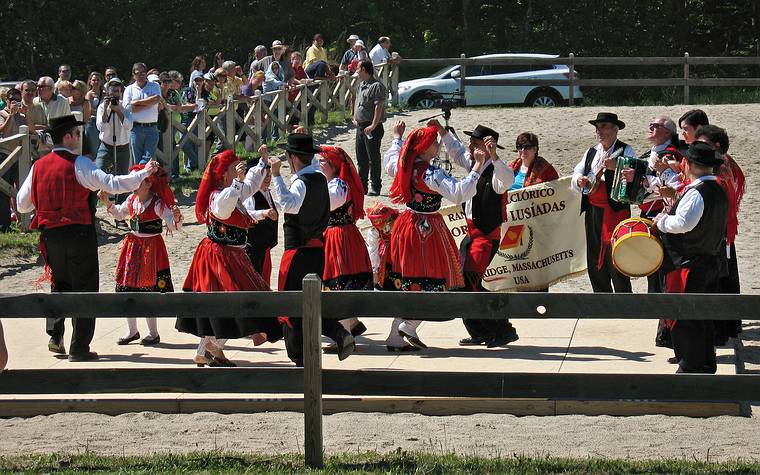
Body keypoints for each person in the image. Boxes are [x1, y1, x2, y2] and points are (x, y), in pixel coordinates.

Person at [16, 115, 159, 362]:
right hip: (79, 232)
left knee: (59, 284)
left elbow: (22, 204)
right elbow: (112, 184)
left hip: (50, 235)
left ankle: (55, 335)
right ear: (68, 136)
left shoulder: (38, 166)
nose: (80, 139)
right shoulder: (79, 163)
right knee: (85, 288)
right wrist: (142, 174)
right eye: (77, 134)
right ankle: (79, 347)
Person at [383, 120, 484, 349]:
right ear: (426, 148)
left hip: (406, 225)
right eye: (436, 143)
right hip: (425, 231)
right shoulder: (431, 173)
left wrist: (397, 137)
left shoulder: (405, 164)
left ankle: (395, 338)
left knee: (410, 281)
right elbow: (459, 193)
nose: (438, 146)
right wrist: (477, 166)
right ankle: (408, 324)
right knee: (432, 280)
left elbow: (390, 160)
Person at [175, 150, 278, 367]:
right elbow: (223, 210)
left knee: (231, 302)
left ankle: (206, 351)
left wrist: (262, 163)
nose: (240, 171)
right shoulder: (218, 196)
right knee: (234, 301)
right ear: (223, 175)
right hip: (220, 256)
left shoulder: (233, 190)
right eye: (235, 168)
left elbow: (249, 185)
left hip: (233, 254)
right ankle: (211, 348)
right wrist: (238, 183)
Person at [263, 135, 356, 365]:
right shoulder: (321, 180)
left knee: (292, 304)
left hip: (298, 253)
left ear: (292, 158)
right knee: (311, 300)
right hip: (317, 251)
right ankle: (336, 332)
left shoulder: (301, 182)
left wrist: (276, 176)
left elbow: (288, 204)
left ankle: (300, 357)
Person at [433, 122, 517, 346]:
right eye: (472, 143)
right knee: (464, 284)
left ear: (488, 147)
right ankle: (480, 331)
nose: (470, 147)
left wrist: (495, 156)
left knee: (471, 284)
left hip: (486, 237)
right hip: (471, 235)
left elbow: (508, 180)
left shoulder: (497, 171)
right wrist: (443, 132)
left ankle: (502, 330)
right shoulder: (475, 164)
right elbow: (457, 151)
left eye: (475, 144)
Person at [653, 141, 727, 374]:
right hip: (708, 260)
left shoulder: (697, 192)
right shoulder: (718, 189)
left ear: (691, 165)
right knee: (702, 315)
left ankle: (691, 365)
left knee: (686, 316)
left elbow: (684, 224)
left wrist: (662, 222)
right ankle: (704, 362)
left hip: (689, 263)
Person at [99, 164, 182, 346]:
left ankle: (153, 333)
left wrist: (176, 217)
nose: (132, 184)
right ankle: (132, 330)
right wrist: (107, 202)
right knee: (127, 286)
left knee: (149, 289)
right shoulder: (132, 200)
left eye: (136, 181)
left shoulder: (157, 204)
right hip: (133, 247)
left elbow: (173, 225)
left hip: (151, 250)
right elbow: (120, 214)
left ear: (148, 183)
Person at [571, 112, 636, 293]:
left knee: (616, 255)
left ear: (616, 129)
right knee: (593, 255)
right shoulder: (591, 152)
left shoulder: (626, 150)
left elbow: (636, 176)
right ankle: (601, 297)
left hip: (616, 211)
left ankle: (624, 297)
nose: (600, 131)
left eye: (605, 127)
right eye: (598, 128)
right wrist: (579, 180)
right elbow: (576, 172)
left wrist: (617, 167)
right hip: (593, 210)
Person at [696, 124, 744, 346]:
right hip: (721, 230)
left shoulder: (722, 167)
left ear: (715, 145)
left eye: (703, 143)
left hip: (719, 231)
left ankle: (718, 331)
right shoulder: (723, 163)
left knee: (717, 279)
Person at [319, 145, 372, 339]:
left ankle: (345, 333)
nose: (319, 165)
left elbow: (326, 203)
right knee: (340, 281)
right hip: (339, 235)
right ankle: (351, 323)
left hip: (339, 238)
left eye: (322, 162)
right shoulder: (334, 182)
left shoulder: (338, 186)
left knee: (338, 282)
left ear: (333, 165)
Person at [0, 87, 34, 232]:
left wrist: (25, 115)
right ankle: (4, 224)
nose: (15, 102)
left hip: (20, 156)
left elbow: (31, 130)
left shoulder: (22, 115)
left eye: (17, 100)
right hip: (5, 155)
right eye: (12, 100)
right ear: (6, 100)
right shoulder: (2, 113)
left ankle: (24, 222)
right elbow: (4, 131)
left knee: (21, 189)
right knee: (4, 191)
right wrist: (11, 115)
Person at [96, 77, 133, 205]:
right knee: (97, 174)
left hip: (123, 147)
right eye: (111, 91)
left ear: (121, 92)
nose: (114, 94)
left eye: (117, 91)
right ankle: (92, 209)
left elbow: (129, 126)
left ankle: (120, 213)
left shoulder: (126, 106)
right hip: (106, 146)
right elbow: (101, 127)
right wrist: (107, 109)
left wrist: (118, 111)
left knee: (122, 180)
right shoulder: (102, 107)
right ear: (107, 92)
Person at [354, 61, 387, 195]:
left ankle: (375, 186)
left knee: (373, 158)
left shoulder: (377, 86)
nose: (357, 70)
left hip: (372, 127)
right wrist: (354, 117)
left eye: (358, 68)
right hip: (360, 127)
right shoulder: (361, 85)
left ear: (364, 69)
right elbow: (356, 101)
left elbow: (378, 107)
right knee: (361, 158)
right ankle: (362, 186)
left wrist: (373, 124)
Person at [243, 163, 278, 285]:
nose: (268, 178)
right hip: (254, 246)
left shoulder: (266, 192)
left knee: (264, 278)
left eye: (269, 175)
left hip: (265, 247)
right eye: (264, 175)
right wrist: (264, 213)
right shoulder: (251, 195)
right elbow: (246, 214)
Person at [123, 62, 161, 165]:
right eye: (138, 73)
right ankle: (139, 179)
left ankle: (141, 172)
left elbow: (157, 99)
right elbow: (128, 108)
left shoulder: (155, 85)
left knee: (148, 158)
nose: (141, 76)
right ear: (133, 75)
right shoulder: (129, 89)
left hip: (152, 128)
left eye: (143, 73)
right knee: (137, 158)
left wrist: (136, 102)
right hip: (136, 129)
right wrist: (148, 103)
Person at [84, 72, 105, 158]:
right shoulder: (89, 94)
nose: (96, 82)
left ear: (101, 82)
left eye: (98, 80)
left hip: (103, 122)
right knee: (94, 148)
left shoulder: (104, 94)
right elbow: (89, 110)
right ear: (90, 82)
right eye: (93, 80)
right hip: (92, 123)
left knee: (103, 147)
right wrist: (101, 112)